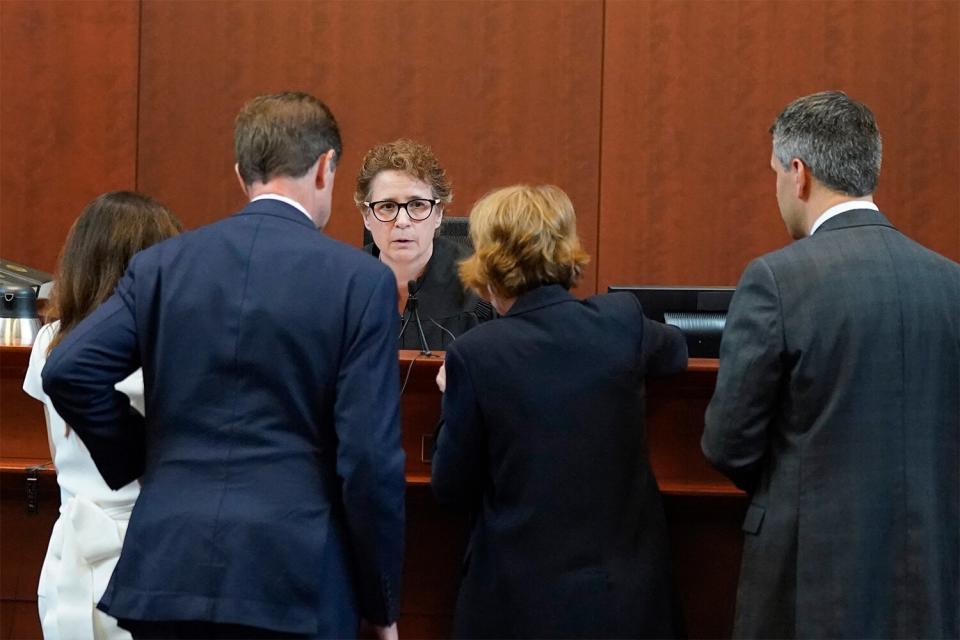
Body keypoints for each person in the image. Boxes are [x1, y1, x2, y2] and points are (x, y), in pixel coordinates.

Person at [41, 92, 406, 640]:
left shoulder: (163, 265)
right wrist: (381, 606)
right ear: (327, 166)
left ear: (241, 174)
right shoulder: (359, 281)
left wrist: (148, 457)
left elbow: (68, 368)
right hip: (294, 577)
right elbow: (369, 460)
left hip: (167, 571)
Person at [702, 90, 960, 638]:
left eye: (774, 173)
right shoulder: (951, 283)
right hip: (932, 577)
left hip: (811, 577)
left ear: (799, 174)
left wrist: (798, 486)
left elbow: (729, 441)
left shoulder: (776, 280)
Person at [431, 184, 688, 639]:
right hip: (623, 604)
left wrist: (453, 393)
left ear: (486, 259)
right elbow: (677, 354)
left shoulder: (476, 356)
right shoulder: (620, 321)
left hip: (517, 607)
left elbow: (451, 486)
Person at [23, 191, 181, 640]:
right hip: (149, 563)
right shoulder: (167, 347)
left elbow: (57, 451)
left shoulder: (50, 341)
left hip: (66, 560)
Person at [355, 139, 492, 350]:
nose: (402, 221)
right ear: (367, 216)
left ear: (438, 214)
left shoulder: (480, 289)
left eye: (417, 205)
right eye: (387, 206)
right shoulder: (344, 287)